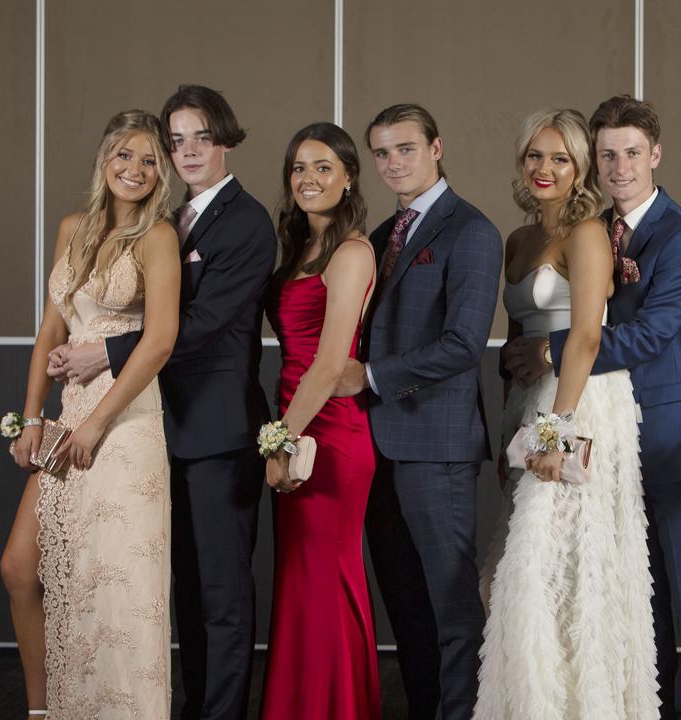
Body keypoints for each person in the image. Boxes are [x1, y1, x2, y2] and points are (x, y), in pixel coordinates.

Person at [47, 85, 277, 720]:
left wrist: (106, 353)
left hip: (218, 428)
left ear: (225, 139)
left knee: (222, 596)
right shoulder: (168, 219)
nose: (187, 151)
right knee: (181, 594)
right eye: (176, 140)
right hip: (157, 429)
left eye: (201, 136)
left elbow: (198, 324)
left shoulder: (247, 222)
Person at [501, 95, 681, 719]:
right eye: (607, 154)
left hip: (670, 430)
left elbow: (651, 334)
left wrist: (550, 351)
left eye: (631, 153)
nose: (619, 166)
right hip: (604, 424)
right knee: (623, 592)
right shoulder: (588, 225)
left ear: (655, 154)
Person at [475, 108, 657, 718]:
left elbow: (583, 337)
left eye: (559, 157)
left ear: (579, 165)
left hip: (579, 401)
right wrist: (512, 426)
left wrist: (557, 428)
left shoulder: (587, 232)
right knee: (517, 562)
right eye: (534, 156)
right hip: (528, 402)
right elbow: (514, 339)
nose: (544, 169)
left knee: (560, 564)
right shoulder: (520, 239)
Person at [5, 109, 180, 718]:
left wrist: (99, 421)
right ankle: (45, 710)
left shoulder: (159, 237)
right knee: (20, 567)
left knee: (114, 587)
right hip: (67, 415)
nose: (135, 169)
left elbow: (160, 340)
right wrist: (32, 418)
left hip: (125, 420)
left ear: (162, 174)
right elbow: (50, 327)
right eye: (125, 155)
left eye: (150, 160)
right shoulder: (72, 228)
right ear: (105, 159)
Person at [331, 103, 502, 720]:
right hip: (378, 445)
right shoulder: (383, 236)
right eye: (381, 153)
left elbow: (463, 346)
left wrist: (369, 377)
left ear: (436, 147)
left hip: (437, 445)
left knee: (451, 605)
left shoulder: (472, 231)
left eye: (405, 148)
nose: (392, 163)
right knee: (406, 605)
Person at [258, 122, 380, 719]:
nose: (309, 179)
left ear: (349, 176)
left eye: (323, 167)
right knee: (300, 580)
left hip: (328, 436)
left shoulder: (353, 252)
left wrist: (283, 439)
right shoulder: (299, 248)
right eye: (299, 168)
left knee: (327, 577)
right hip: (296, 423)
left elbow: (332, 363)